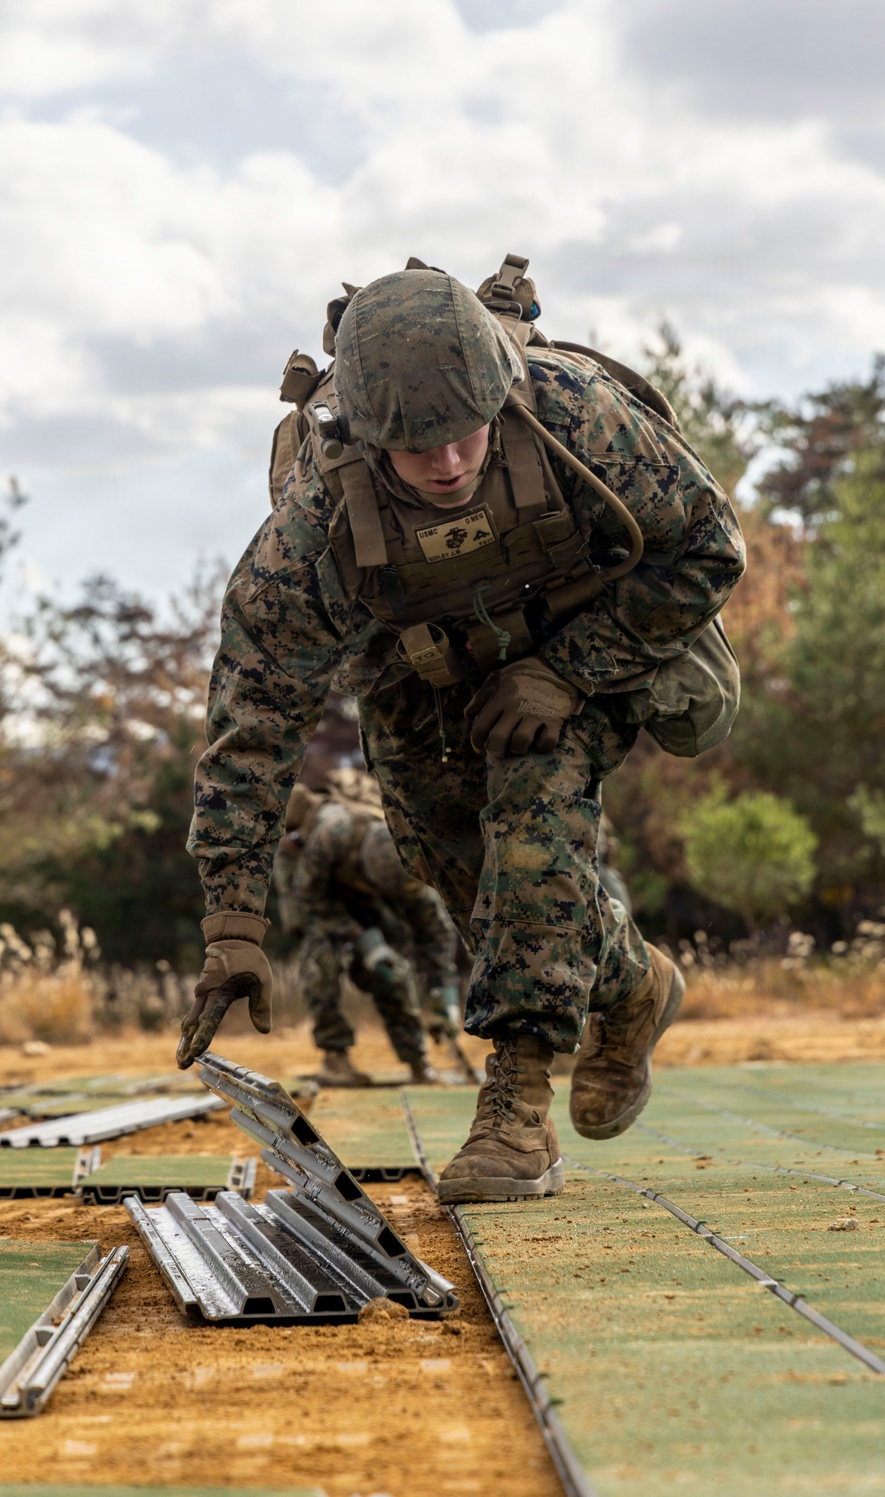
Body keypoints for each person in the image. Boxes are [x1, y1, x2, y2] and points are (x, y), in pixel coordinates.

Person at [177, 255, 745, 1204]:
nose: (448, 463)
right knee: (473, 886)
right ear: (362, 432)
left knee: (534, 806)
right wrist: (233, 923)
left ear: (500, 393)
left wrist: (566, 671)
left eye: (464, 434)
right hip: (418, 676)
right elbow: (252, 720)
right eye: (417, 446)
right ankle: (634, 981)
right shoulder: (312, 527)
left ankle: (517, 1112)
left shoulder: (572, 414)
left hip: (582, 643)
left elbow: (709, 548)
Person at [274, 768, 458, 1086]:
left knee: (392, 970)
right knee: (321, 959)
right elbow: (307, 900)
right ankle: (335, 1058)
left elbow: (434, 934)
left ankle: (418, 1062)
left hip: (364, 897)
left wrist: (445, 996)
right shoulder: (333, 833)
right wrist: (362, 938)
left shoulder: (412, 869)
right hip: (312, 886)